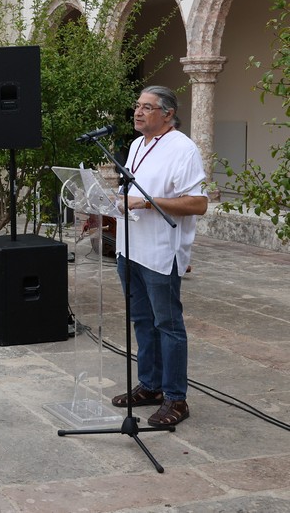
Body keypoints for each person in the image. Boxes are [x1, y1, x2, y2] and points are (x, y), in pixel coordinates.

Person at [111, 86, 207, 428]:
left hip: (161, 252)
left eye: (147, 107)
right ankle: (150, 385)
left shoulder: (183, 148)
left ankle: (176, 398)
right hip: (129, 248)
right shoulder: (138, 145)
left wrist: (147, 202)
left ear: (168, 114)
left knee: (168, 325)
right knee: (141, 320)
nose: (138, 112)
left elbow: (198, 203)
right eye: (137, 105)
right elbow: (130, 193)